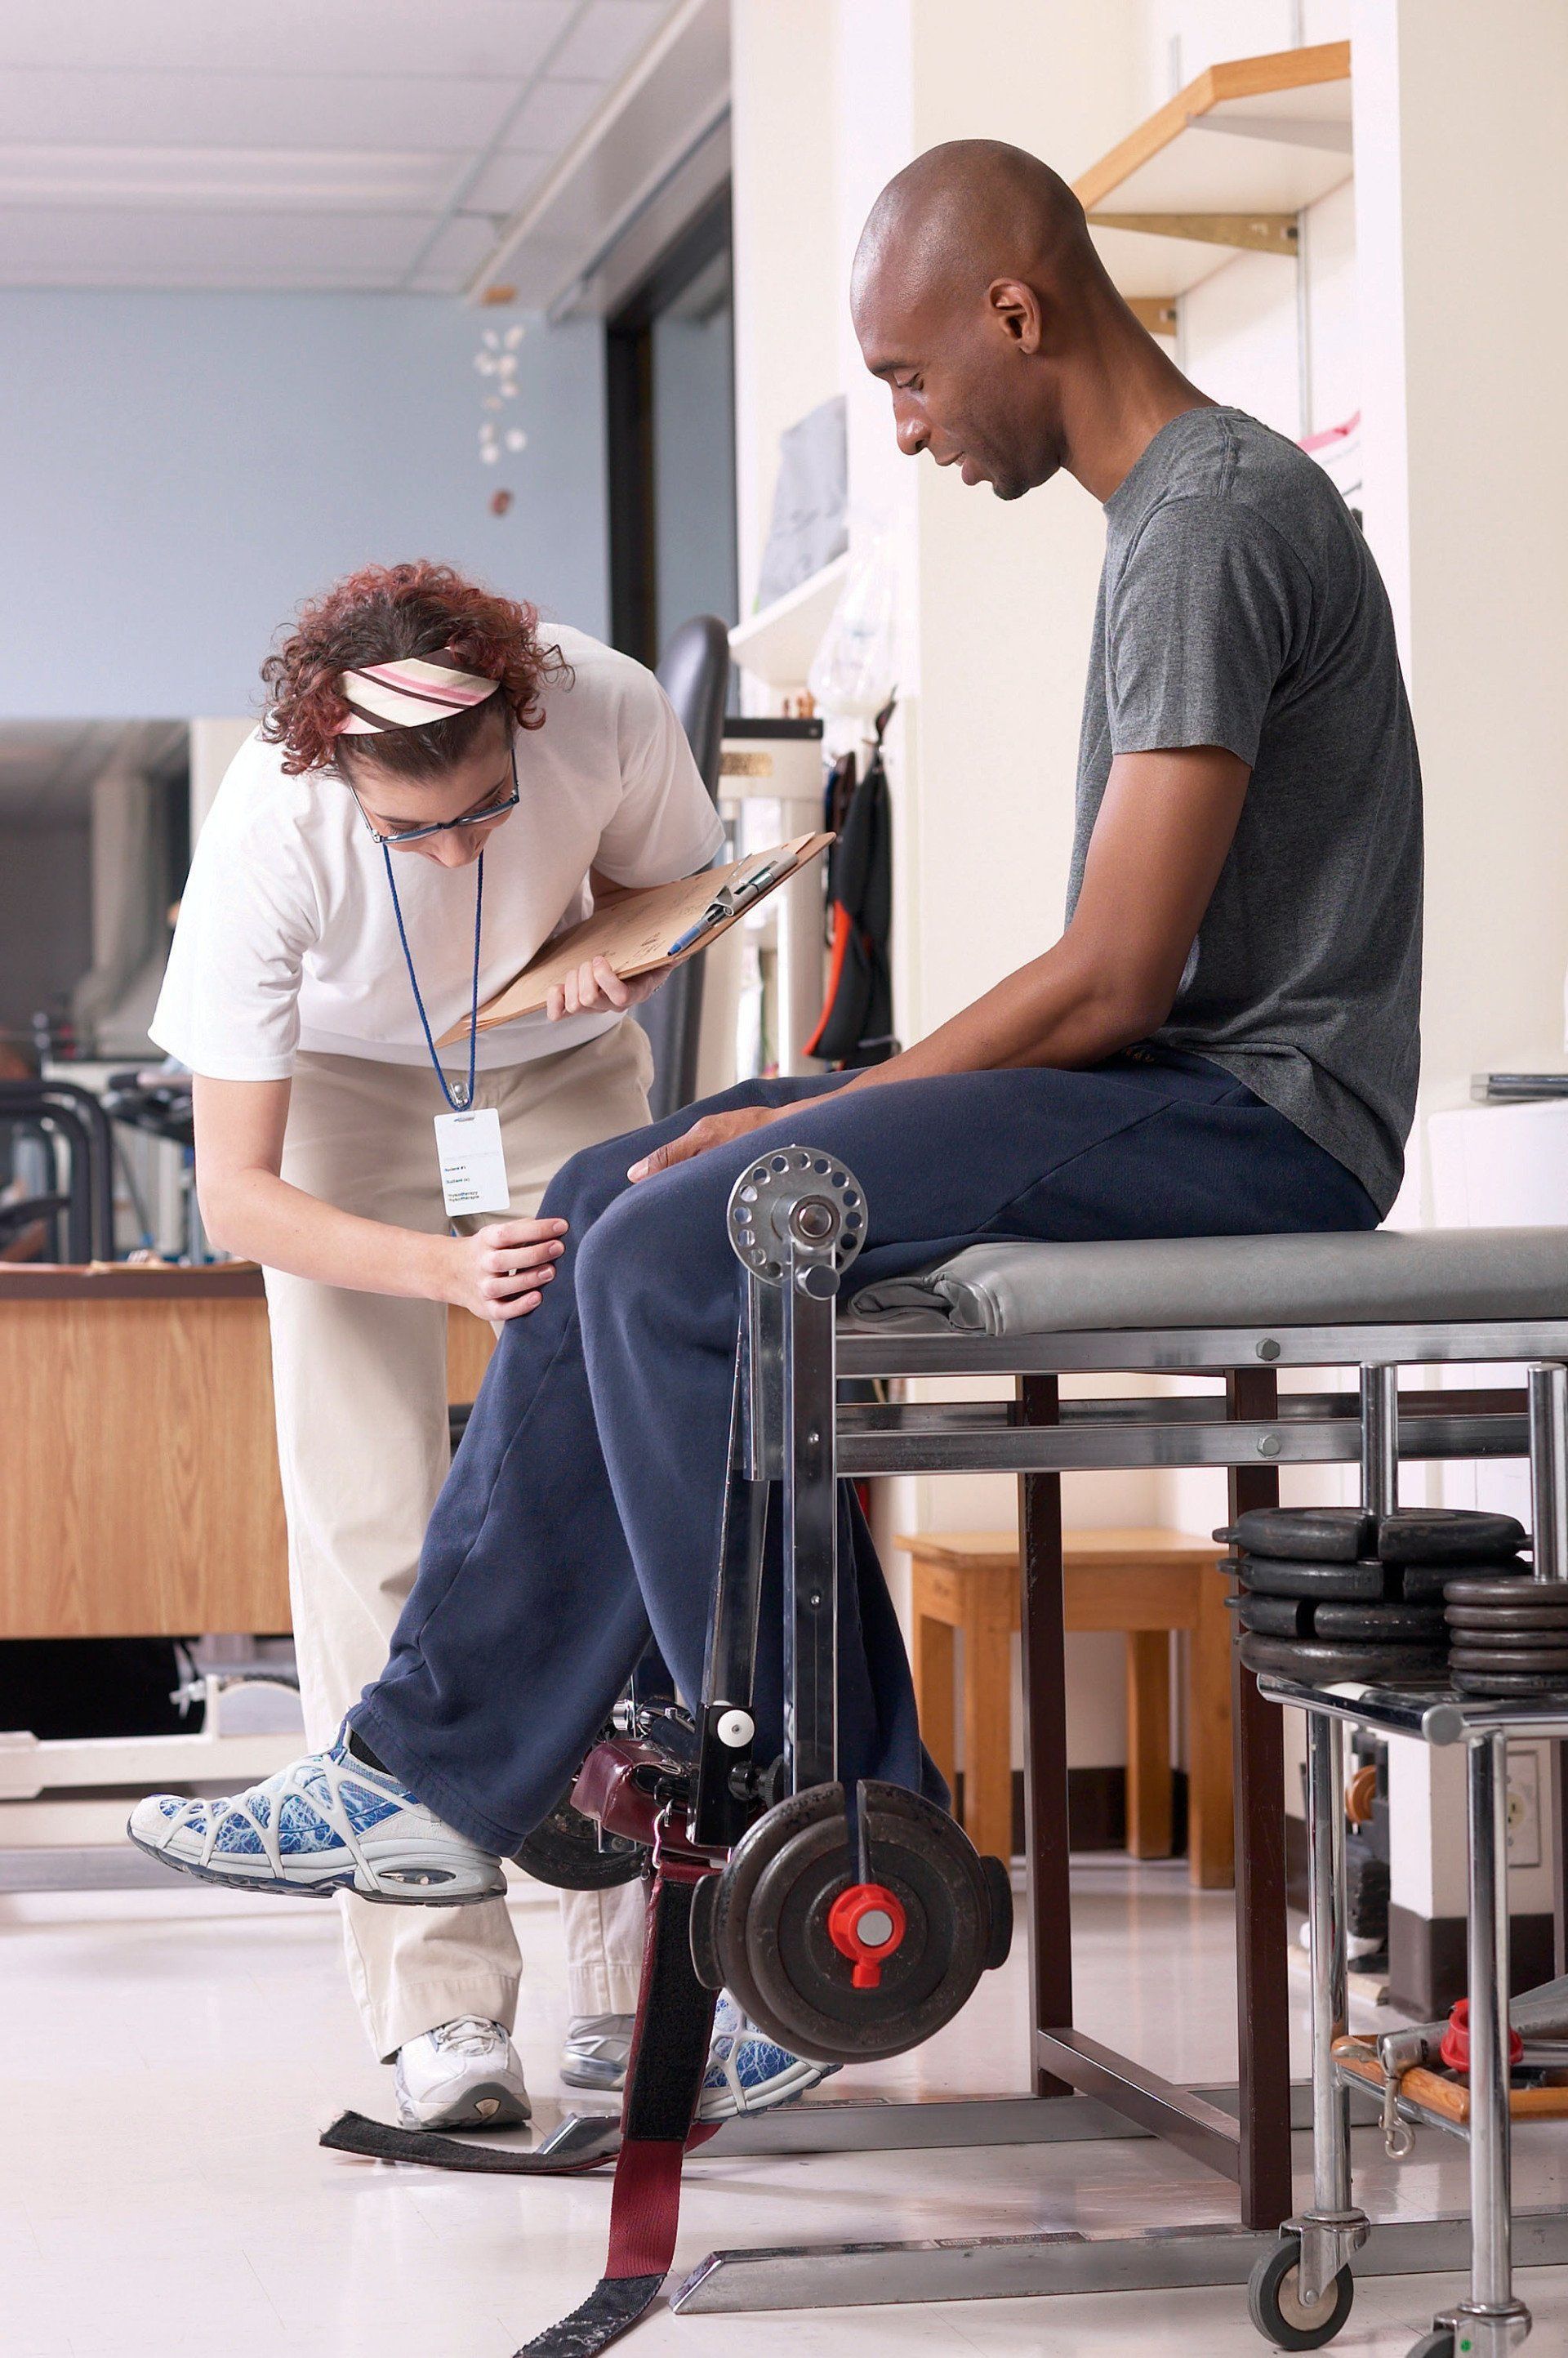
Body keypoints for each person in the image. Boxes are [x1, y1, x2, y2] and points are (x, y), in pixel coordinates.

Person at [131, 143, 1422, 2106]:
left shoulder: (1209, 517)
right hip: (1175, 1089)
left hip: (1255, 1120)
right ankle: (429, 1769)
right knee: (601, 1194)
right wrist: (758, 1119)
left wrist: (791, 1126)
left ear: (1017, 314)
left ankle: (833, 1835)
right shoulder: (1182, 512)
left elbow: (1115, 977)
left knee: (685, 1232)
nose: (902, 429)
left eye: (907, 380)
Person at [145, 561, 728, 2127]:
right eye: (418, 831)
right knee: (374, 1532)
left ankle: (632, 1976)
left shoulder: (605, 704)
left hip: (556, 1061)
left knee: (616, 1513)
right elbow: (239, 1199)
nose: (462, 848)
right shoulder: (272, 841)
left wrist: (633, 958)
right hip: (340, 1106)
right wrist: (442, 1270)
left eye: (487, 808)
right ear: (337, 767)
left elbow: (680, 897)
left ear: (525, 719)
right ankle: (441, 2006)